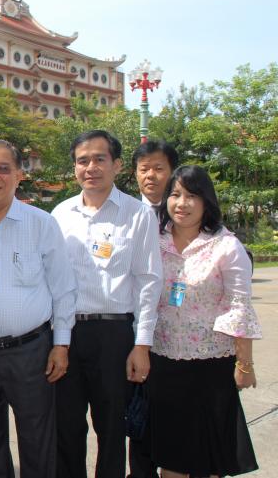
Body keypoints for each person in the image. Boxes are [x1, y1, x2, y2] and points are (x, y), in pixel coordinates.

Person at [0, 139, 77, 478]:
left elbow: (63, 288)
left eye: (3, 168)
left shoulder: (42, 224)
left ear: (19, 175)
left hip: (31, 352)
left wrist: (61, 345)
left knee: (37, 443)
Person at [51, 130, 163, 478]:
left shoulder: (137, 214)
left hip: (114, 335)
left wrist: (142, 344)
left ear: (117, 165)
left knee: (112, 428)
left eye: (100, 159)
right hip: (66, 333)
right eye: (82, 161)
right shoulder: (60, 214)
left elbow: (148, 281)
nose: (91, 167)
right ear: (74, 168)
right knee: (66, 427)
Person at [147, 165, 260, 477]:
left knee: (208, 459)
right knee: (171, 458)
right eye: (175, 195)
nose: (182, 203)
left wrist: (244, 364)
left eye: (191, 196)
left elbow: (239, 306)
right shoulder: (154, 242)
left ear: (206, 201)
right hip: (163, 362)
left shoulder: (226, 246)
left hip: (210, 366)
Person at [129, 139, 178, 478]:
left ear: (172, 171)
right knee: (139, 411)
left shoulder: (186, 213)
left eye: (159, 168)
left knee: (176, 413)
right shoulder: (128, 214)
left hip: (178, 332)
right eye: (144, 169)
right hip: (136, 331)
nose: (151, 175)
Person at [133, 140, 179, 209]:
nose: (150, 175)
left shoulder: (183, 209)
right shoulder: (125, 209)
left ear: (173, 173)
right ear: (136, 175)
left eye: (158, 169)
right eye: (144, 170)